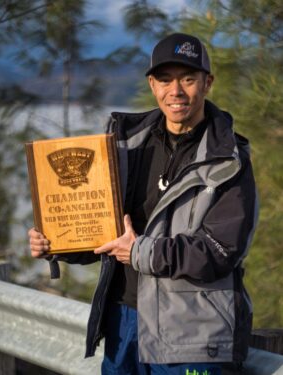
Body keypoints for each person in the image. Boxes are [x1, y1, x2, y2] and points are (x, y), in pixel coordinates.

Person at [29, 33, 258, 375]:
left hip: (192, 334)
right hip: (123, 325)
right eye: (165, 80)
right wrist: (59, 242)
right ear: (152, 84)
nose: (176, 91)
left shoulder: (229, 158)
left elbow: (221, 250)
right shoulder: (125, 145)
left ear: (207, 82)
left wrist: (141, 252)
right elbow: (107, 234)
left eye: (188, 79)